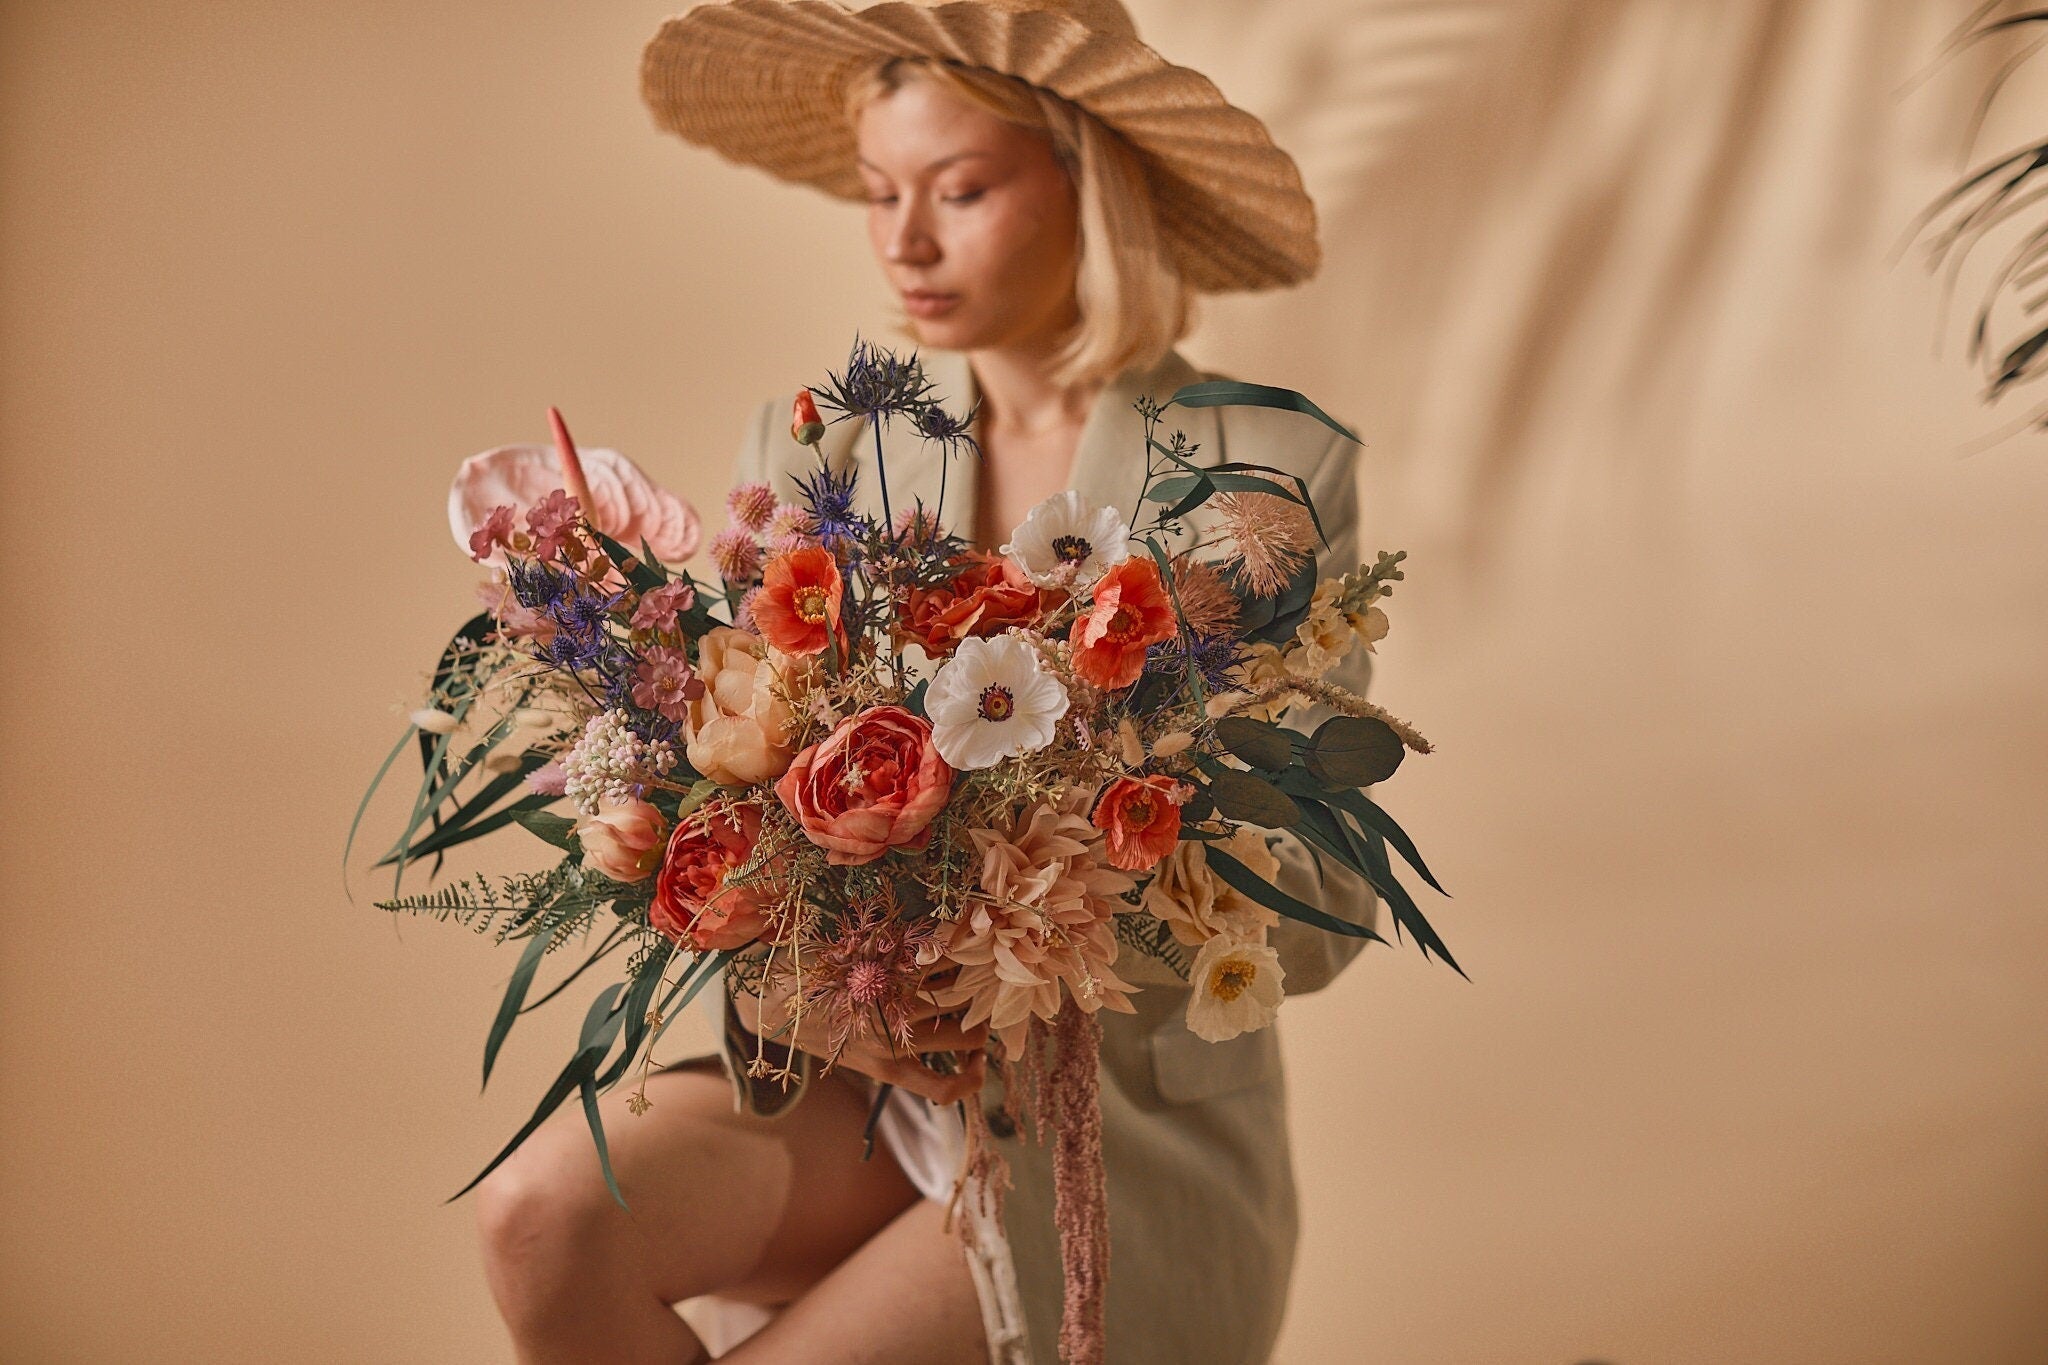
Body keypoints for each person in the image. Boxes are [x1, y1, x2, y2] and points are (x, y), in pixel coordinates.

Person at [474, 3, 1380, 1361]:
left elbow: (1323, 902)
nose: (906, 240)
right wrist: (808, 971)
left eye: (960, 190)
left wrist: (1036, 923)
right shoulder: (829, 449)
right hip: (847, 1093)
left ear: (1087, 182)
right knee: (539, 1221)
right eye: (879, 192)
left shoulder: (1257, 471)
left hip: (1115, 1133)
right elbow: (733, 782)